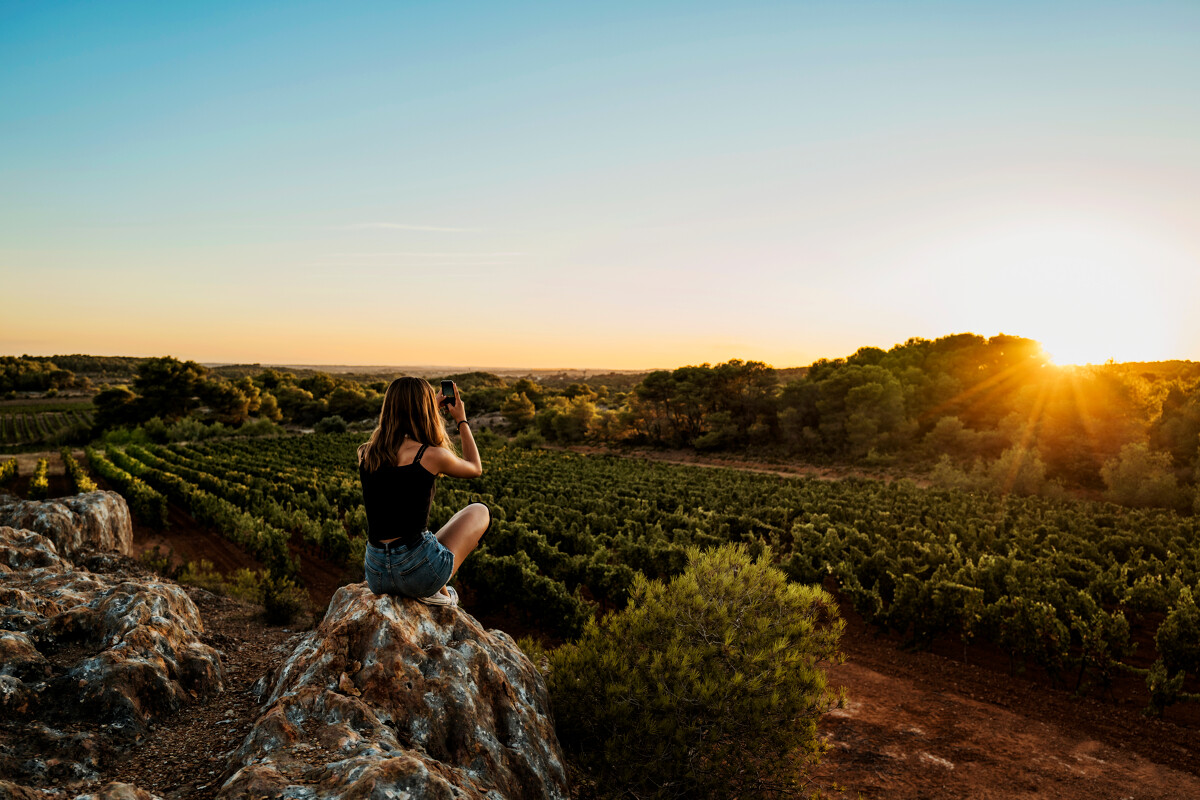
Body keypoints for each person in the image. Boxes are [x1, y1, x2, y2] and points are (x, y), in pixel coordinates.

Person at [356, 377, 490, 607]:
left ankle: (437, 590)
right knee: (478, 510)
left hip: (376, 575)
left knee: (417, 536)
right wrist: (462, 420)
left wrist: (428, 408)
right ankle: (435, 589)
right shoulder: (431, 455)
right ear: (425, 409)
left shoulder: (365, 453)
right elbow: (475, 468)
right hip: (417, 574)